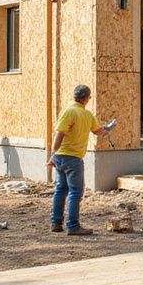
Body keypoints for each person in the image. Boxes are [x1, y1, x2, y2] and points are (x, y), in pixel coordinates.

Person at [47, 84, 108, 235]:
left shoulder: (68, 111)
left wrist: (53, 154)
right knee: (75, 192)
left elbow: (60, 133)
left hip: (60, 157)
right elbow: (98, 131)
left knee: (61, 190)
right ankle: (73, 225)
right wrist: (107, 129)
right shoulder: (87, 115)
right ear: (87, 99)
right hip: (74, 159)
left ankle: (56, 223)